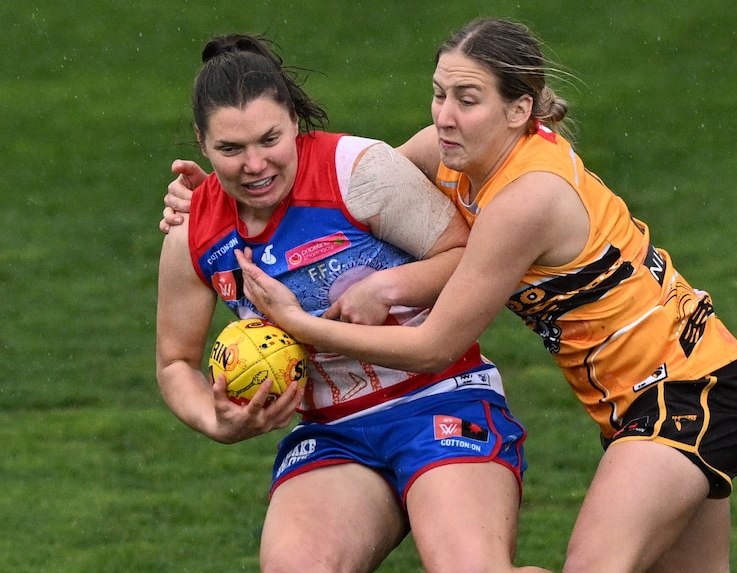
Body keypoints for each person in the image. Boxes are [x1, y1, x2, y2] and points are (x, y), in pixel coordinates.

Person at [163, 19, 737, 572]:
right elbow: (343, 207)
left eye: (467, 100)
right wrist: (216, 199)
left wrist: (306, 319)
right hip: (630, 399)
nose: (445, 116)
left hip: (689, 386)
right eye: (439, 93)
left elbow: (434, 346)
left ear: (518, 109)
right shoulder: (447, 151)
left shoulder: (527, 197)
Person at [155, 33, 551, 573]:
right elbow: (176, 361)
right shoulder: (192, 234)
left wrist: (385, 289)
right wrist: (216, 420)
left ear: (295, 121)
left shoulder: (357, 171)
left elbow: (468, 254)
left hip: (441, 399)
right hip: (333, 432)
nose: (254, 165)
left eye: (269, 139)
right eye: (230, 149)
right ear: (201, 143)